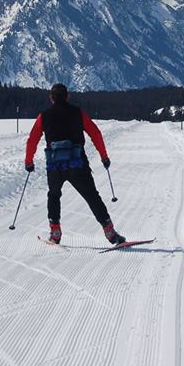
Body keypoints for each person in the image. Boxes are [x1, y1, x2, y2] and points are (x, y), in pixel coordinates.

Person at [25, 83, 125, 245]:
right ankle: (110, 233)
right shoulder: (78, 113)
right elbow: (95, 133)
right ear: (67, 96)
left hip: (55, 166)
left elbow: (32, 140)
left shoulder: (44, 115)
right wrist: (104, 157)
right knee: (92, 196)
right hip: (77, 164)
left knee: (54, 195)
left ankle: (55, 232)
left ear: (51, 98)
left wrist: (29, 162)